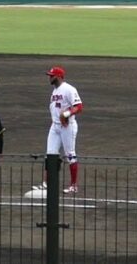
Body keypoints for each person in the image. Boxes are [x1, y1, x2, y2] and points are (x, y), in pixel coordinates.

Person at [33, 66, 83, 194]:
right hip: (55, 126)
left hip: (68, 126)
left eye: (51, 75)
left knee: (70, 154)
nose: (49, 77)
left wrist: (67, 114)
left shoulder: (69, 89)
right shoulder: (55, 91)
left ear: (59, 76)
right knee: (50, 154)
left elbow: (79, 106)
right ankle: (46, 183)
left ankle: (73, 185)